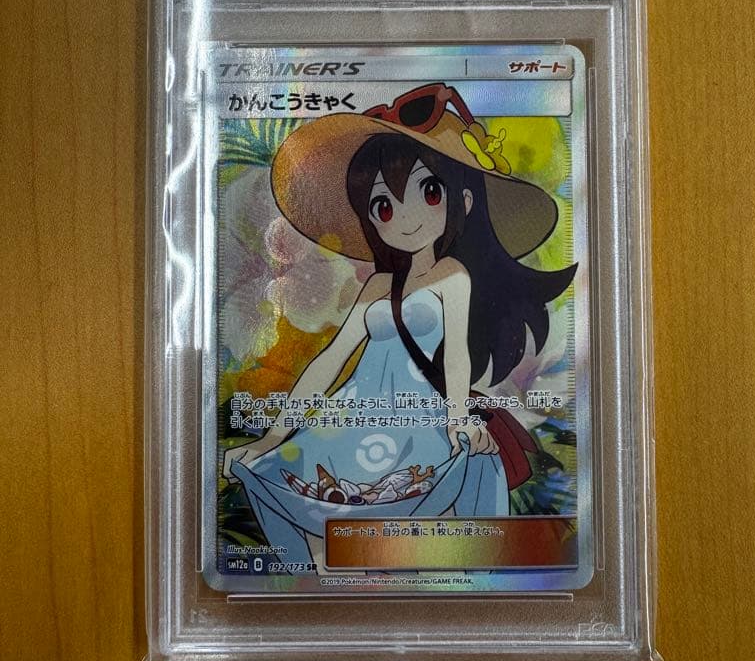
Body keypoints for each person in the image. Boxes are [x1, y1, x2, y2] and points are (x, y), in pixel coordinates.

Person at [223, 83, 576, 569]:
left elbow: (456, 355)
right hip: (355, 415)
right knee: (304, 504)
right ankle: (322, 590)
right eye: (384, 206)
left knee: (411, 529)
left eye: (429, 192)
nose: (405, 218)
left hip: (420, 418)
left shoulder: (453, 276)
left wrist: (457, 418)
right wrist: (272, 437)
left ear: (463, 201)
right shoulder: (377, 287)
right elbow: (329, 362)